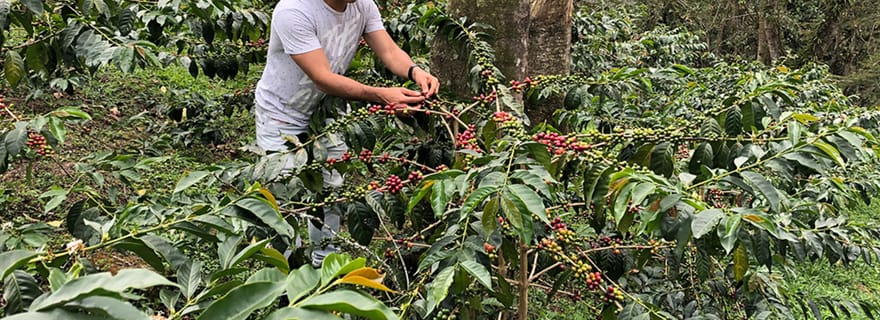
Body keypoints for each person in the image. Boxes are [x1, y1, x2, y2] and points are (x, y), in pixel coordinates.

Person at [254, 0, 440, 267]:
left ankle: (324, 265)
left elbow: (388, 50)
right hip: (282, 114)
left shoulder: (362, 5)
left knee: (332, 190)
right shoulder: (293, 10)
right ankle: (285, 275)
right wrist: (380, 95)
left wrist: (415, 71)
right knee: (286, 197)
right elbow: (322, 76)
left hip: (329, 112)